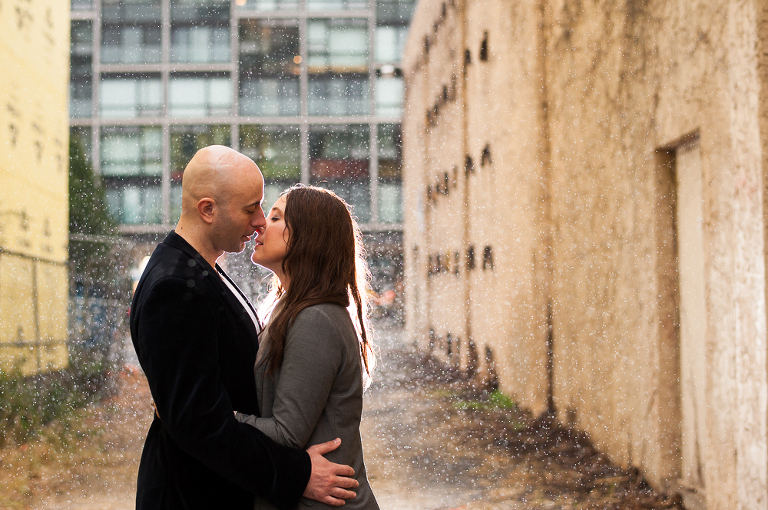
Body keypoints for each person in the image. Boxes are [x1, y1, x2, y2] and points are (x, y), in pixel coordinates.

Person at [130, 146, 359, 510]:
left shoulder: (200, 271)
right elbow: (200, 425)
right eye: (250, 208)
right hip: (193, 495)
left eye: (265, 210)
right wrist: (297, 474)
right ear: (208, 210)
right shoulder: (175, 286)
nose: (259, 223)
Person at [235, 185, 380, 510]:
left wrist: (212, 417)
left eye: (275, 217)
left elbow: (287, 434)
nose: (260, 224)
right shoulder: (291, 308)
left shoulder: (316, 319)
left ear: (307, 237)